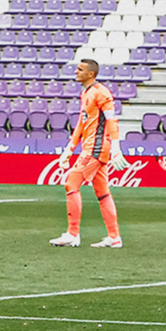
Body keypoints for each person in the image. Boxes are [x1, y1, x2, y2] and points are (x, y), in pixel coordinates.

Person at [49, 59, 128, 248]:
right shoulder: (86, 92)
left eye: (80, 69)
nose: (76, 72)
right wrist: (69, 149)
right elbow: (81, 123)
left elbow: (111, 120)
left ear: (91, 74)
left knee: (71, 183)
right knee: (102, 193)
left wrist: (116, 147)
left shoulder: (101, 93)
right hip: (91, 146)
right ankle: (114, 236)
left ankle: (72, 233)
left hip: (96, 147)